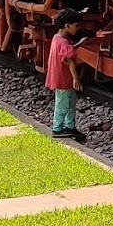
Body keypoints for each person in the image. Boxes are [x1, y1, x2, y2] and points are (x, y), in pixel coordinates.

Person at [45, 8, 86, 141]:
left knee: (70, 102)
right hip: (64, 79)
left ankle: (69, 126)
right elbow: (71, 62)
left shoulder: (57, 38)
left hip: (60, 78)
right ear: (67, 26)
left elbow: (67, 52)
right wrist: (76, 79)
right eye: (76, 25)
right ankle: (57, 128)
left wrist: (79, 44)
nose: (78, 28)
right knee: (63, 104)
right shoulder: (64, 42)